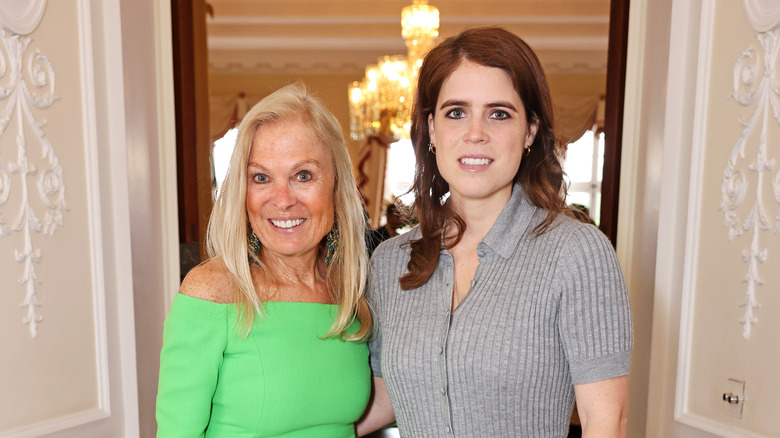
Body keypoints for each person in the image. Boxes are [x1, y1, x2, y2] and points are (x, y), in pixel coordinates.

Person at [357, 27, 633, 437]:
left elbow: (604, 422)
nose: (475, 134)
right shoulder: (390, 261)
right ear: (432, 129)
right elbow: (388, 397)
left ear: (530, 131)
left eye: (499, 113)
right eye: (456, 112)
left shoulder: (576, 252)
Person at [156, 83, 372, 437]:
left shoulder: (350, 289)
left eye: (303, 175)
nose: (282, 200)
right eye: (261, 178)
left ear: (335, 184)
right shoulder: (212, 291)